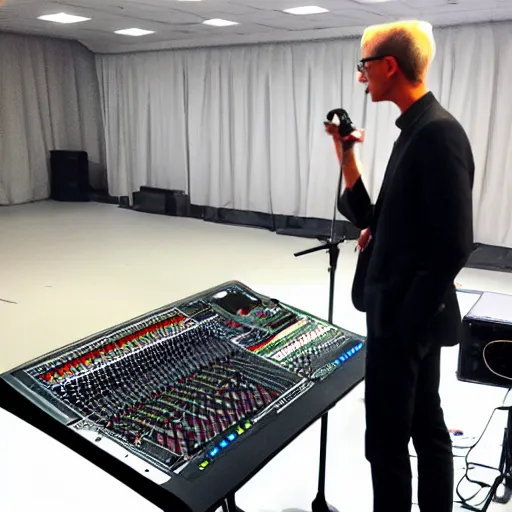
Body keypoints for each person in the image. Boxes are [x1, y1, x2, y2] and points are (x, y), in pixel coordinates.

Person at [324, 21, 475, 512]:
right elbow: (373, 217)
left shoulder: (438, 133)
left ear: (389, 66)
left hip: (406, 318)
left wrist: (406, 327)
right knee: (424, 423)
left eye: (364, 66)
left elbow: (455, 245)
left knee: (387, 442)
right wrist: (347, 154)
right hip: (409, 313)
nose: (361, 77)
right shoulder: (414, 130)